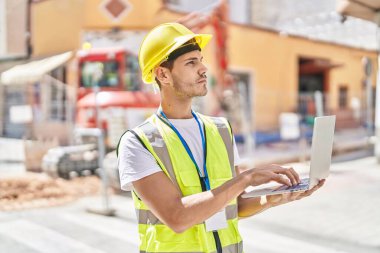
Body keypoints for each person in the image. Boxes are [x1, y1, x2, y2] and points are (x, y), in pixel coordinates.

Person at [117, 22, 325, 253]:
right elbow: (177, 217)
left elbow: (236, 203)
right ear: (163, 74)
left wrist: (275, 198)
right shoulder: (139, 142)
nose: (203, 69)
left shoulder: (220, 130)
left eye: (201, 60)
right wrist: (246, 179)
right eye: (191, 62)